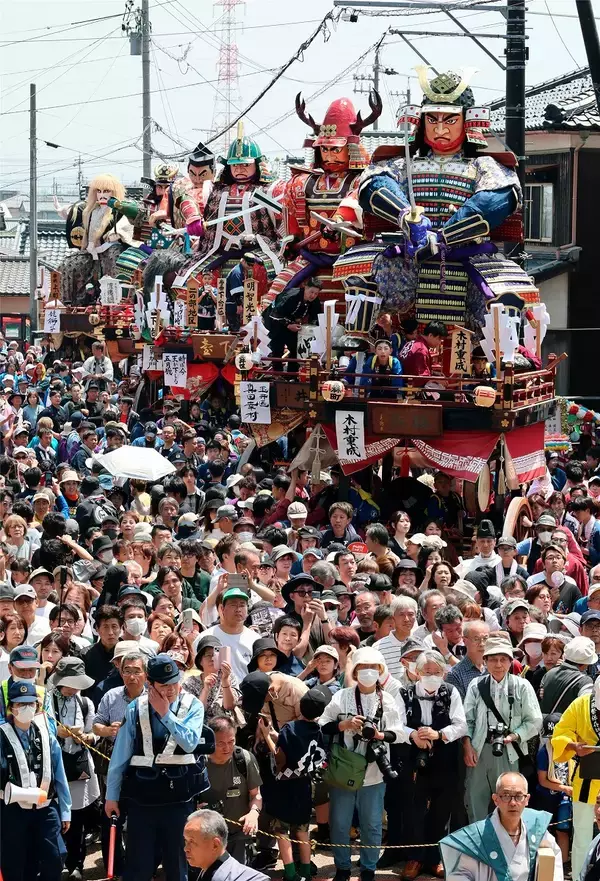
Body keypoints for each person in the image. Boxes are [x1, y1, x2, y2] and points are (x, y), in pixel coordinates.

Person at [105, 652, 207, 881]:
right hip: (143, 800)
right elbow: (119, 757)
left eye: (174, 683)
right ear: (150, 684)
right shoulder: (135, 708)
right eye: (164, 685)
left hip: (179, 800)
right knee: (138, 866)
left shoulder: (193, 706)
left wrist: (165, 713)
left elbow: (190, 743)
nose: (171, 690)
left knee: (178, 865)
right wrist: (111, 796)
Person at [319, 647, 409, 881]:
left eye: (373, 668)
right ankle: (343, 867)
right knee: (339, 823)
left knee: (371, 824)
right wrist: (345, 724)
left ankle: (369, 868)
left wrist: (379, 735)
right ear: (356, 672)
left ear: (380, 671)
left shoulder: (387, 699)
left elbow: (398, 733)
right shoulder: (342, 695)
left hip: (374, 771)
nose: (368, 672)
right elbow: (323, 724)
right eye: (363, 668)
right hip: (344, 770)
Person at [463, 636, 542, 823]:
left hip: (510, 750)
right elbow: (467, 720)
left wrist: (515, 735)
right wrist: (467, 747)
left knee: (509, 800)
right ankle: (479, 847)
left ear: (510, 661)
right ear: (485, 661)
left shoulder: (522, 686)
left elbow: (535, 720)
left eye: (503, 659)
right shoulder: (476, 685)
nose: (498, 664)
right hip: (479, 749)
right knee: (476, 801)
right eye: (493, 659)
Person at [0, 680, 72, 881]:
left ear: (38, 706)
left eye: (30, 704)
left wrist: (65, 811)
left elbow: (60, 775)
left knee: (55, 856)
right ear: (11, 707)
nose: (26, 708)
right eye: (20, 704)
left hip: (45, 807)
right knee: (15, 862)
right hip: (12, 810)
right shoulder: (2, 736)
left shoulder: (47, 736)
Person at [440, 771, 563, 881]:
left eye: (519, 796)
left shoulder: (536, 827)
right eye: (506, 796)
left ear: (527, 799)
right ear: (495, 799)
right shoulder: (478, 836)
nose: (513, 803)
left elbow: (554, 861)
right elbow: (460, 875)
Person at [47, 656, 99, 881]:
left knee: (76, 818)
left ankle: (76, 864)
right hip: (52, 766)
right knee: (54, 817)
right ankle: (54, 863)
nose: (73, 689)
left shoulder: (85, 703)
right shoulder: (45, 701)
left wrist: (85, 737)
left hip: (78, 766)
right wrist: (55, 733)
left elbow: (94, 732)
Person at [551, 674, 600, 879]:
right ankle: (581, 877)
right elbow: (559, 734)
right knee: (582, 835)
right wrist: (573, 746)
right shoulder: (580, 705)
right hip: (587, 779)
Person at [204, 715, 263, 864]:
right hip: (207, 836)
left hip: (238, 835)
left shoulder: (244, 759)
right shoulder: (199, 763)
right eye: (221, 743)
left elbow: (256, 795)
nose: (227, 748)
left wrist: (253, 813)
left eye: (231, 742)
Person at [183, 809, 270, 881]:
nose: (186, 849)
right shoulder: (209, 872)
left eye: (192, 841)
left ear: (215, 845)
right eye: (186, 841)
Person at [263, 279, 323, 372]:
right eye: (311, 292)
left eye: (316, 293)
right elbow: (275, 314)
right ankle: (278, 375)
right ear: (305, 288)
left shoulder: (314, 301)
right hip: (275, 322)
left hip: (292, 325)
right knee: (277, 350)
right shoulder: (291, 296)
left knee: (296, 348)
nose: (313, 296)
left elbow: (317, 317)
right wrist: (288, 325)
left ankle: (292, 374)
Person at [540, 635, 594, 713]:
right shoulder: (584, 681)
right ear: (585, 663)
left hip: (545, 723)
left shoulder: (549, 673)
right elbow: (585, 709)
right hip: (568, 724)